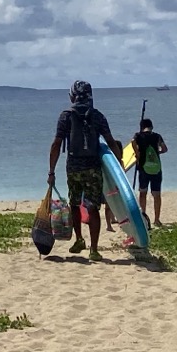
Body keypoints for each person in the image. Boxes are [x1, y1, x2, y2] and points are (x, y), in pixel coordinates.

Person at [47, 80, 122, 259]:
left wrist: (51, 171)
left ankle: (80, 239)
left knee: (74, 203)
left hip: (73, 167)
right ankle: (94, 249)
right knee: (93, 208)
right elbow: (111, 142)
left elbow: (56, 144)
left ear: (73, 96)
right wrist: (119, 167)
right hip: (93, 168)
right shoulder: (97, 116)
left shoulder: (66, 116)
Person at [131, 117, 168, 226]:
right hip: (156, 168)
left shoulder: (138, 136)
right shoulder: (157, 136)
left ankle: (144, 216)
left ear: (142, 127)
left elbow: (132, 142)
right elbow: (165, 149)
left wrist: (137, 153)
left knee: (143, 193)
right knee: (156, 194)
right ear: (151, 126)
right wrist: (157, 153)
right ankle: (157, 219)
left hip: (143, 167)